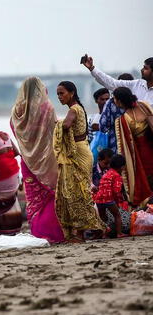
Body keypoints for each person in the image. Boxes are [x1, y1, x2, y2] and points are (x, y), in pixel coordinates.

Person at [10, 77, 65, 243]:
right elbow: (54, 132)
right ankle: (55, 233)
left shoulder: (17, 111)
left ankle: (39, 233)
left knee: (35, 198)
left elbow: (16, 132)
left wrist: (29, 146)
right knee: (51, 194)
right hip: (47, 160)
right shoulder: (46, 108)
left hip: (27, 160)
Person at [54, 81, 105, 241]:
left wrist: (56, 124)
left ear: (72, 93)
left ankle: (82, 232)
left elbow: (67, 125)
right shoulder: (78, 108)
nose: (59, 97)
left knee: (75, 193)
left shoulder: (74, 109)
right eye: (58, 94)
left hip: (77, 153)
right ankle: (93, 228)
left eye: (62, 93)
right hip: (82, 150)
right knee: (80, 191)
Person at [112, 87, 153, 206]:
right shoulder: (143, 105)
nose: (114, 101)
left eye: (114, 99)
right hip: (148, 147)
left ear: (119, 101)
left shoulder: (123, 119)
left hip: (141, 154)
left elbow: (125, 145)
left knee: (146, 179)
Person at [82, 55, 153, 106]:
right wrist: (92, 68)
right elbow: (112, 83)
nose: (142, 70)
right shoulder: (137, 84)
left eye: (146, 68)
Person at [98, 74, 137, 154]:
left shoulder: (111, 102)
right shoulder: (137, 102)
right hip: (134, 142)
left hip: (115, 142)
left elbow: (103, 125)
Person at [93, 155, 128, 238]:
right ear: (122, 167)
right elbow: (116, 191)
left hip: (99, 199)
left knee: (102, 218)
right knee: (117, 215)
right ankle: (119, 233)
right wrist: (118, 201)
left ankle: (102, 234)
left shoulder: (106, 173)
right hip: (108, 199)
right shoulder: (117, 176)